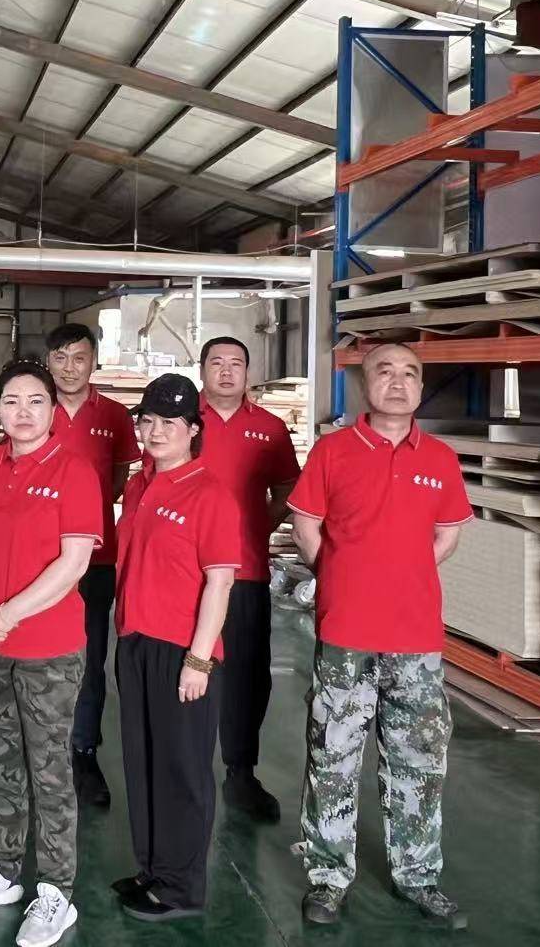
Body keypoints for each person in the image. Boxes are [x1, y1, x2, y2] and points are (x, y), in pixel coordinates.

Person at [289, 343, 471, 930]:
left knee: (419, 758)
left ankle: (417, 876)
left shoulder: (440, 458)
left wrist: (401, 575)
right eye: (384, 372)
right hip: (346, 631)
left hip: (416, 637)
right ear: (364, 385)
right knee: (333, 754)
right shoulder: (333, 451)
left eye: (410, 373)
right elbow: (306, 525)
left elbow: (446, 536)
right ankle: (328, 876)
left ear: (420, 386)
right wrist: (342, 576)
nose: (398, 382)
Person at [0, 359, 100, 947]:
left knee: (49, 769)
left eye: (36, 401)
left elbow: (74, 561)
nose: (23, 412)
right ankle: (3, 870)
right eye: (11, 401)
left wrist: (8, 612)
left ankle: (56, 890)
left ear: (54, 410)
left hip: (47, 649)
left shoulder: (74, 470)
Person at [111, 374, 241, 922]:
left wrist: (198, 659)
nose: (156, 431)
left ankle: (182, 889)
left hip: (183, 650)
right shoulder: (139, 486)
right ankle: (153, 869)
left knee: (183, 769)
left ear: (192, 430)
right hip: (136, 641)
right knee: (143, 760)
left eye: (170, 422)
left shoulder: (209, 493)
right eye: (148, 421)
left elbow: (220, 582)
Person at [195, 335, 301, 822]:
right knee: (187, 666)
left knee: (246, 673)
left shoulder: (269, 428)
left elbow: (288, 487)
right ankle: (189, 766)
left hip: (246, 568)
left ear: (247, 373)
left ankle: (241, 772)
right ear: (202, 370)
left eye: (235, 363)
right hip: (186, 570)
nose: (226, 371)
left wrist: (260, 525)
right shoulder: (181, 420)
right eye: (216, 362)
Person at [44, 322, 137, 809]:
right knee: (40, 655)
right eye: (60, 357)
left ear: (94, 362)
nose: (69, 367)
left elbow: (118, 479)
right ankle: (43, 748)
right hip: (39, 558)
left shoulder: (115, 416)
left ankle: (83, 751)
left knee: (90, 657)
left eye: (79, 357)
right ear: (49, 362)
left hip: (96, 557)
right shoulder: (35, 407)